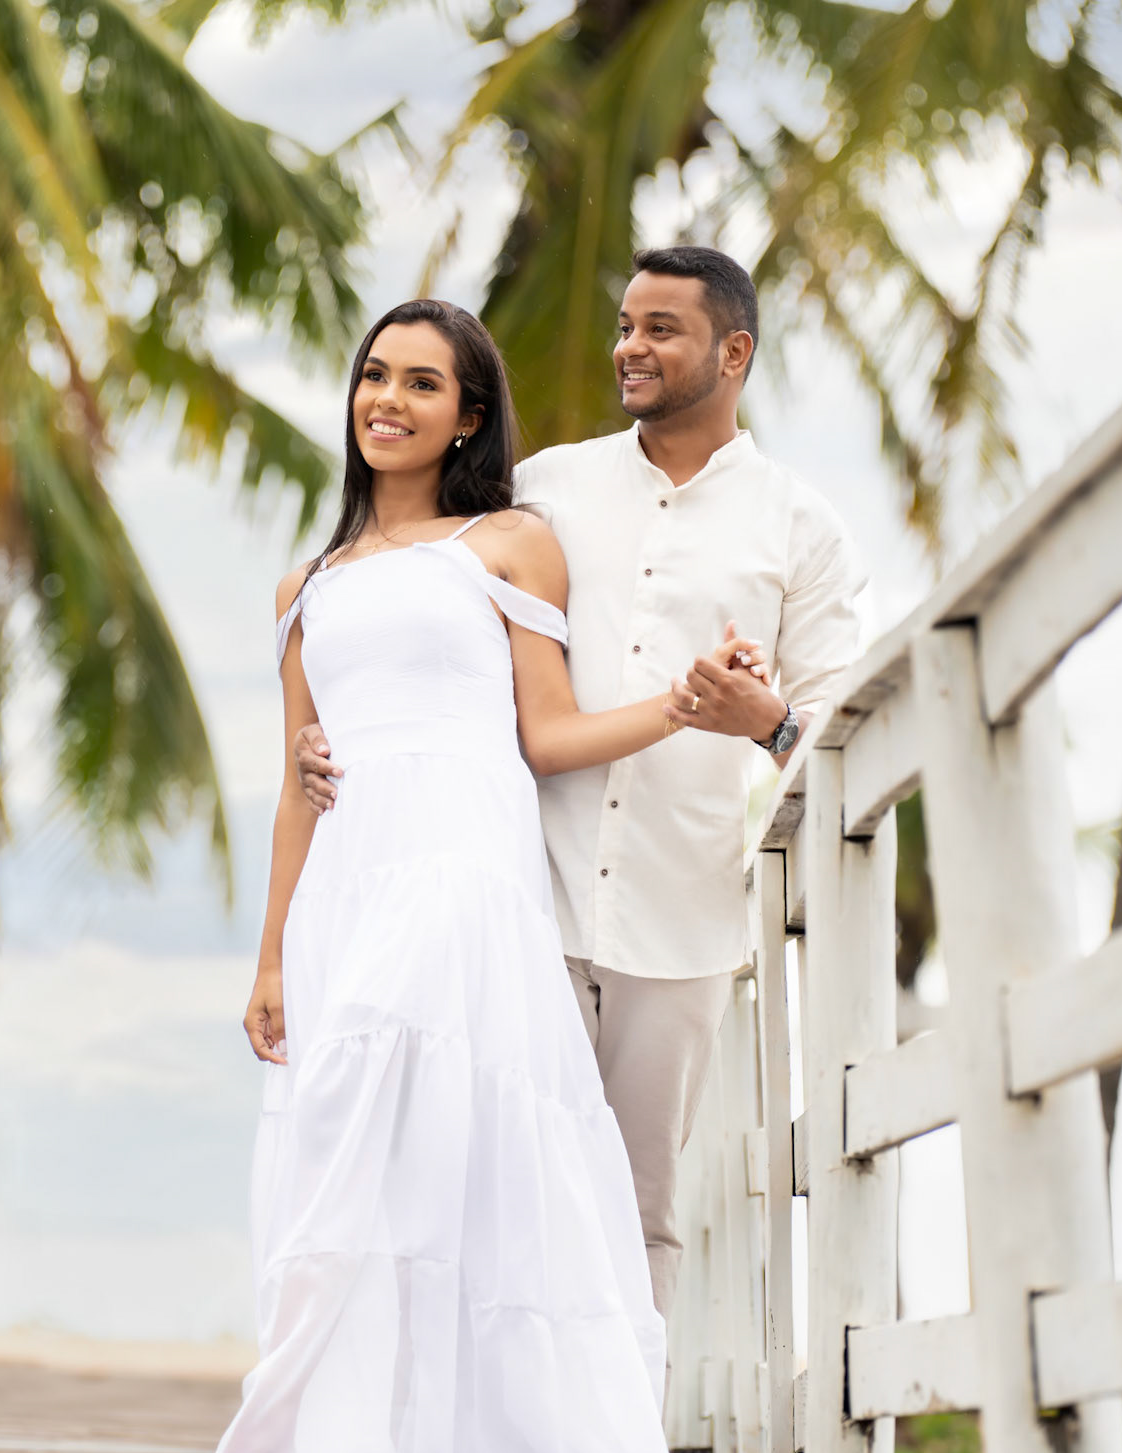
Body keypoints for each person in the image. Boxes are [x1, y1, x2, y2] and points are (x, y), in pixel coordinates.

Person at [187, 297, 760, 1453]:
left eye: (423, 383)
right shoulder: (308, 584)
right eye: (374, 376)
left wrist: (686, 704)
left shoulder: (506, 545)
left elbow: (546, 734)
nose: (387, 399)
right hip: (351, 876)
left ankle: (270, 1431)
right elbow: (299, 782)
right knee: (382, 1158)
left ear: (469, 415)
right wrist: (271, 953)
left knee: (377, 1116)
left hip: (462, 862)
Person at [298, 250, 863, 1338]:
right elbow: (431, 605)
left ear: (734, 352)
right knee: (487, 1182)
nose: (629, 349)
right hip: (519, 893)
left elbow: (838, 737)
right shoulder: (546, 486)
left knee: (637, 1206)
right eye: (624, 324)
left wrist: (767, 722)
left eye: (660, 329)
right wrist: (335, 732)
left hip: (681, 915)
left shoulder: (803, 528)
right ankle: (485, 1445)